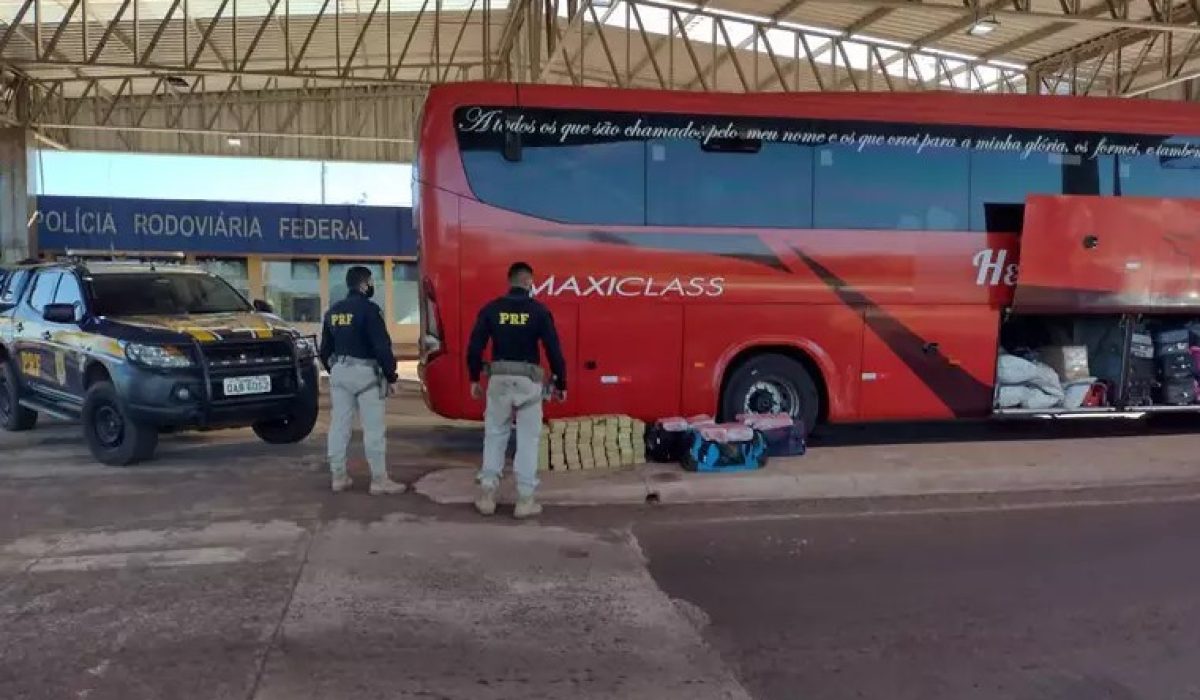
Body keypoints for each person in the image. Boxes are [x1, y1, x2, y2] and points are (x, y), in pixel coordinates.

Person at [467, 261, 566, 519]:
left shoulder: (491, 309)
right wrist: (560, 383)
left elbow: (475, 346)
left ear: (509, 281)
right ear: (528, 282)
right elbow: (554, 350)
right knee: (528, 440)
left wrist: (473, 378)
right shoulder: (539, 311)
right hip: (528, 383)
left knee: (495, 435)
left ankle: (487, 495)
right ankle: (525, 500)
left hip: (498, 379)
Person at [319, 266, 406, 496]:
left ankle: (338, 477)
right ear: (364, 284)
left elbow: (324, 349)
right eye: (371, 282)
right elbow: (381, 346)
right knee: (373, 429)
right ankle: (379, 480)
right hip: (366, 374)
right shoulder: (370, 310)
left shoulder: (333, 312)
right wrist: (391, 376)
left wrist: (334, 370)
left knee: (339, 427)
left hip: (340, 373)